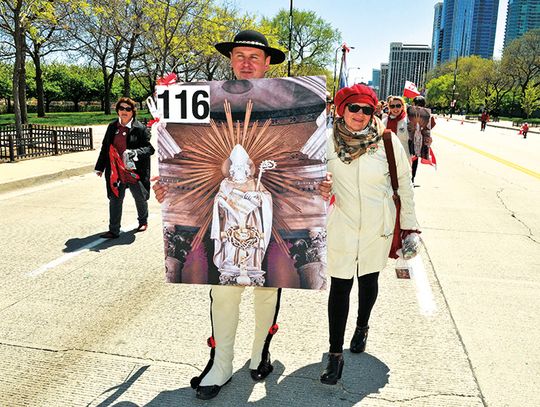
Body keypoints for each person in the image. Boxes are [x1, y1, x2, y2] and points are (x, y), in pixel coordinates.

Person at [153, 30, 332, 401]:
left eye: (254, 56)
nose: (246, 62)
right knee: (223, 292)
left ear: (268, 62)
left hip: (271, 216)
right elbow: (183, 161)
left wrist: (323, 185)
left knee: (268, 290)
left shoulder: (292, 100)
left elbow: (309, 162)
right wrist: (168, 187)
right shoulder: (207, 100)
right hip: (225, 219)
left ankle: (259, 351)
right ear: (230, 60)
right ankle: (221, 362)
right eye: (240, 56)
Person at [319, 84, 419, 385]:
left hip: (378, 225)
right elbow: (310, 181)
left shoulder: (387, 141)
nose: (360, 115)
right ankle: (335, 355)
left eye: (366, 109)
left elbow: (404, 185)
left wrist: (410, 228)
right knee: (340, 285)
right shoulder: (324, 142)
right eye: (353, 108)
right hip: (341, 224)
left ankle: (362, 326)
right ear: (341, 110)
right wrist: (319, 189)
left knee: (369, 280)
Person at [211, 144, 273, 286]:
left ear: (246, 169)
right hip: (232, 223)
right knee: (232, 249)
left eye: (241, 167)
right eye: (236, 167)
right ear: (231, 169)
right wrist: (224, 203)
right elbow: (218, 200)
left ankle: (251, 264)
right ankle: (231, 264)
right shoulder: (226, 183)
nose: (238, 170)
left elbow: (266, 198)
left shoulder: (254, 183)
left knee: (251, 250)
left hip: (252, 224)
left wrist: (258, 197)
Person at [95, 97, 154, 238]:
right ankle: (114, 230)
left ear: (133, 111)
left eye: (128, 109)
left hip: (134, 171)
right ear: (118, 111)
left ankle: (143, 221)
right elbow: (105, 148)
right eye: (121, 108)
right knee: (115, 199)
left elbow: (149, 149)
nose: (124, 111)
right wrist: (100, 167)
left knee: (139, 197)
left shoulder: (140, 129)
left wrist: (135, 153)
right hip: (116, 171)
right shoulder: (112, 127)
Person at [407, 95, 434, 185]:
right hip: (409, 139)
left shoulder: (427, 114)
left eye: (420, 105)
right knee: (408, 158)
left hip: (419, 140)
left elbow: (430, 126)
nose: (418, 107)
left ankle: (412, 178)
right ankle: (408, 177)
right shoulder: (408, 113)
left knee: (415, 159)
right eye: (416, 105)